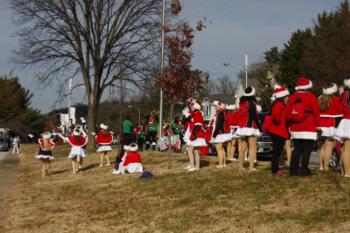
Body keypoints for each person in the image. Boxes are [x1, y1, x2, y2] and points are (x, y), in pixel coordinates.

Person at [286, 76, 320, 176]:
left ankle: (293, 170)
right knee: (307, 149)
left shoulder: (292, 97)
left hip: (296, 127)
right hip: (309, 126)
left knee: (297, 149)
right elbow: (316, 113)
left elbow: (288, 113)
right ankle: (304, 170)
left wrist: (289, 125)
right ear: (307, 87)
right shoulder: (312, 97)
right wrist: (318, 125)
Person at [318, 83, 342, 171]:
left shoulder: (320, 98)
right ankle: (326, 167)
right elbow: (340, 113)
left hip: (320, 124)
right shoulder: (336, 99)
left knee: (322, 147)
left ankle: (321, 166)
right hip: (331, 124)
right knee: (329, 147)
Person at [236, 87, 261, 172]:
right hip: (251, 127)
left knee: (242, 148)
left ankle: (240, 167)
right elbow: (254, 116)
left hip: (243, 127)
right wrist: (260, 127)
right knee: (252, 147)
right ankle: (251, 168)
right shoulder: (252, 103)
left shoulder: (242, 102)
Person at [267, 84, 290, 176]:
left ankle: (276, 170)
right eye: (287, 96)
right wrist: (281, 121)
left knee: (277, 151)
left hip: (278, 131)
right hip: (278, 131)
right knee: (276, 152)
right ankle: (275, 170)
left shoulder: (278, 104)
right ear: (283, 96)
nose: (288, 98)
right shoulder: (279, 105)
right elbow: (276, 117)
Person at [209, 100, 231, 168]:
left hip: (219, 133)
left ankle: (220, 164)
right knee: (222, 149)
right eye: (215, 106)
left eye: (216, 106)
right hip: (221, 133)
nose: (215, 107)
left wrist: (214, 134)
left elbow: (218, 125)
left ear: (219, 106)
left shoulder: (220, 113)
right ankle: (223, 163)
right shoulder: (221, 113)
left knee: (219, 150)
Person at [335, 77, 350, 177]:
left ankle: (344, 171)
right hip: (348, 121)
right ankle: (348, 172)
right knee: (347, 148)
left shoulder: (344, 93)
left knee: (345, 148)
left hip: (345, 120)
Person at [187, 100, 207, 172]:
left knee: (190, 150)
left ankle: (192, 166)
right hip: (197, 134)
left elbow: (198, 125)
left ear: (195, 106)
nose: (191, 107)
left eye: (192, 106)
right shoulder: (196, 113)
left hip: (197, 134)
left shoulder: (198, 113)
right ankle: (197, 167)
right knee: (195, 151)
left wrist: (194, 135)